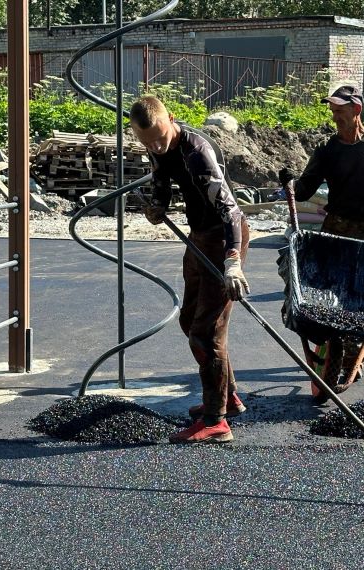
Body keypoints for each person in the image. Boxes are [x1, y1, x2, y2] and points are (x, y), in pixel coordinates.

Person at [129, 95, 250, 444]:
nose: (156, 145)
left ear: (172, 117)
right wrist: (158, 206)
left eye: (161, 136)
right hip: (199, 236)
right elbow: (162, 179)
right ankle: (227, 395)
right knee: (189, 320)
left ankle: (216, 421)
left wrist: (232, 262)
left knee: (206, 332)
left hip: (223, 237)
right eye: (147, 140)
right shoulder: (157, 146)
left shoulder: (198, 153)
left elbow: (228, 210)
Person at [278, 84, 364, 395]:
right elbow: (306, 187)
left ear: (356, 110)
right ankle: (333, 343)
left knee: (360, 292)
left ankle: (355, 352)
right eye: (332, 110)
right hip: (336, 226)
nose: (334, 115)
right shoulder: (327, 150)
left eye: (340, 109)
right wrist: (289, 184)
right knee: (329, 290)